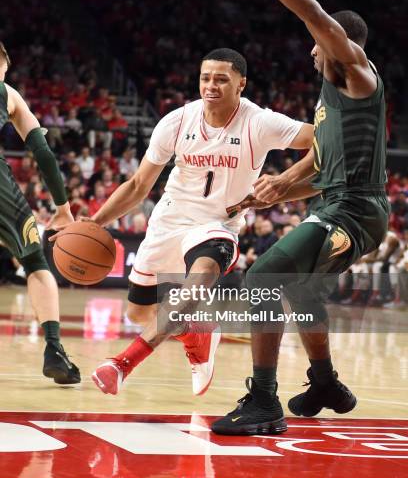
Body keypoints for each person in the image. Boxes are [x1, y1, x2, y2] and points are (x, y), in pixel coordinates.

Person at [211, 0, 389, 435]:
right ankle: (325, 382)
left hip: (354, 212)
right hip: (342, 203)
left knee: (265, 278)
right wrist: (277, 189)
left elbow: (313, 14)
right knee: (304, 292)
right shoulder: (329, 104)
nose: (311, 49)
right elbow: (322, 171)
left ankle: (263, 402)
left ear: (337, 43)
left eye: (318, 42)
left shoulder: (356, 71)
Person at [79, 48, 313, 397]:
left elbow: (323, 141)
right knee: (140, 313)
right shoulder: (177, 121)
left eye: (222, 78)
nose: (211, 85)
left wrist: (285, 185)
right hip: (169, 221)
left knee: (196, 283)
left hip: (218, 224)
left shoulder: (261, 121)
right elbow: (139, 185)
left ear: (241, 84)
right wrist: (95, 222)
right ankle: (198, 332)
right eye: (206, 77)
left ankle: (121, 364)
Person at [0, 42, 80, 385]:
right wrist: (63, 209)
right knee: (34, 262)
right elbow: (43, 154)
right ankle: (53, 347)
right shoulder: (7, 93)